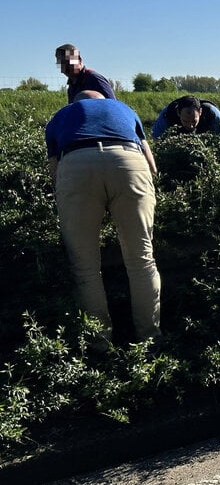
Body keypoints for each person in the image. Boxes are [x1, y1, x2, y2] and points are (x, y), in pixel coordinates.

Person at [44, 90, 162, 347]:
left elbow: (54, 169)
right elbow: (150, 161)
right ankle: (149, 340)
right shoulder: (125, 109)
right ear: (105, 101)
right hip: (129, 160)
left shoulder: (61, 116)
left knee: (85, 267)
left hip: (76, 163)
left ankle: (100, 345)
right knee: (142, 260)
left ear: (75, 103)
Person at [152, 95, 220, 138]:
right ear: (178, 113)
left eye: (194, 121)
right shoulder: (167, 115)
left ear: (200, 112)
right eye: (185, 121)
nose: (190, 125)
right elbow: (156, 140)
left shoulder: (213, 115)